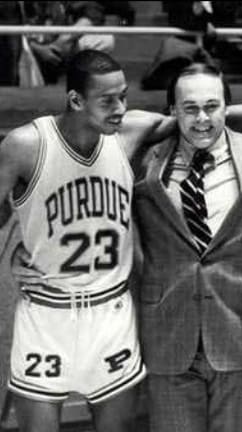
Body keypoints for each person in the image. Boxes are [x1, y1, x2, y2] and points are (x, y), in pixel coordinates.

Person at [0, 49, 179, 432]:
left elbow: (208, 117)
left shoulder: (128, 134)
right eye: (108, 100)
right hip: (47, 313)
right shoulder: (25, 145)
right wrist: (12, 251)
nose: (120, 108)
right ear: (76, 100)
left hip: (110, 311)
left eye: (124, 96)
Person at [133, 62, 242, 432]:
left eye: (212, 106)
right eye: (189, 108)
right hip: (167, 333)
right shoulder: (143, 159)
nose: (202, 118)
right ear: (171, 112)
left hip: (241, 329)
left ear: (227, 108)